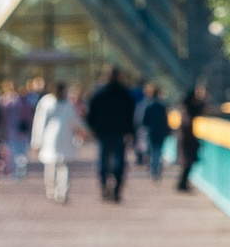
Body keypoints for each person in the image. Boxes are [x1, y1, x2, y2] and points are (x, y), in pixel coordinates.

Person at [85, 67, 136, 203]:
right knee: (119, 160)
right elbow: (130, 113)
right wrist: (131, 131)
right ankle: (117, 190)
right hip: (119, 132)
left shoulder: (100, 92)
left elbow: (92, 113)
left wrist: (93, 128)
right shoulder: (124, 93)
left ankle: (103, 186)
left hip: (103, 132)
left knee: (103, 160)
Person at [32, 81, 79, 204]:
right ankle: (57, 192)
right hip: (59, 139)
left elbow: (39, 122)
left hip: (53, 139)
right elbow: (76, 121)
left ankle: (56, 191)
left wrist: (36, 141)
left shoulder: (48, 102)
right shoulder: (62, 103)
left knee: (54, 166)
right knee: (59, 166)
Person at [173, 84, 206, 192]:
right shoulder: (187, 111)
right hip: (187, 140)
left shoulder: (185, 109)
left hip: (185, 139)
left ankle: (182, 184)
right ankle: (182, 184)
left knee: (187, 163)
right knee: (187, 162)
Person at [137, 82, 171, 183]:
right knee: (158, 151)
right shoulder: (162, 106)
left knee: (152, 151)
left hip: (151, 132)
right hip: (160, 132)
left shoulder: (148, 106)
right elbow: (166, 120)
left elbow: (144, 121)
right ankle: (156, 171)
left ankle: (153, 171)